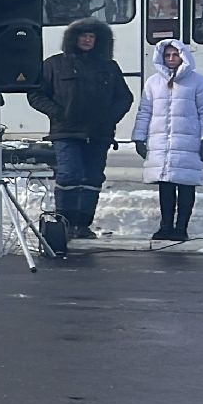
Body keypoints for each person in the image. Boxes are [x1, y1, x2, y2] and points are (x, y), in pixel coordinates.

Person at [27, 17, 134, 240]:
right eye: (83, 36)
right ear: (73, 38)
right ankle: (64, 223)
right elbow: (36, 94)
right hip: (66, 132)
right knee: (70, 175)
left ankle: (83, 225)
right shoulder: (54, 64)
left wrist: (109, 119)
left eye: (91, 36)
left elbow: (124, 98)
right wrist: (58, 113)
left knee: (93, 178)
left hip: (99, 134)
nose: (87, 40)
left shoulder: (109, 67)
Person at [132, 39, 203, 242]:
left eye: (175, 54)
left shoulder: (198, 81)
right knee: (166, 187)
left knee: (186, 185)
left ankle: (181, 228)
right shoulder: (153, 82)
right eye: (167, 55)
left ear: (183, 56)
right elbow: (144, 112)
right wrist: (139, 138)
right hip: (161, 144)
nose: (171, 58)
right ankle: (166, 226)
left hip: (188, 143)